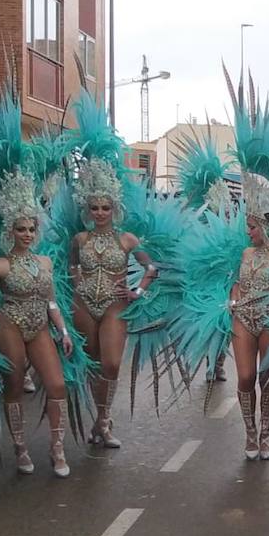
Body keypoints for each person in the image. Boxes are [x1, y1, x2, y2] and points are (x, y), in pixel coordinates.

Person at [0, 171, 74, 477]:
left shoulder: (45, 263)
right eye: (20, 229)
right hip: (9, 322)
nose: (26, 233)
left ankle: (57, 449)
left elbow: (51, 302)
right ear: (10, 231)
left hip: (39, 326)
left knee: (57, 385)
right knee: (14, 383)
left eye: (31, 229)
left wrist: (62, 331)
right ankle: (20, 447)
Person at [68, 158, 157, 449]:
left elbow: (151, 269)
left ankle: (103, 421)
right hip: (83, 305)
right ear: (88, 210)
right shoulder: (79, 239)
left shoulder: (127, 239)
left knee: (111, 363)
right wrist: (75, 287)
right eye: (95, 208)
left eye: (105, 208)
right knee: (94, 365)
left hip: (115, 305)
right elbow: (71, 269)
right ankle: (102, 422)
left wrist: (137, 292)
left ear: (114, 209)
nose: (100, 213)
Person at [230, 177, 269, 461]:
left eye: (252, 226)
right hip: (242, 316)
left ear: (265, 226)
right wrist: (233, 298)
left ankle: (266, 433)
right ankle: (250, 432)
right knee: (245, 377)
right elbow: (236, 281)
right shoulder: (246, 252)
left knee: (267, 379)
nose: (248, 231)